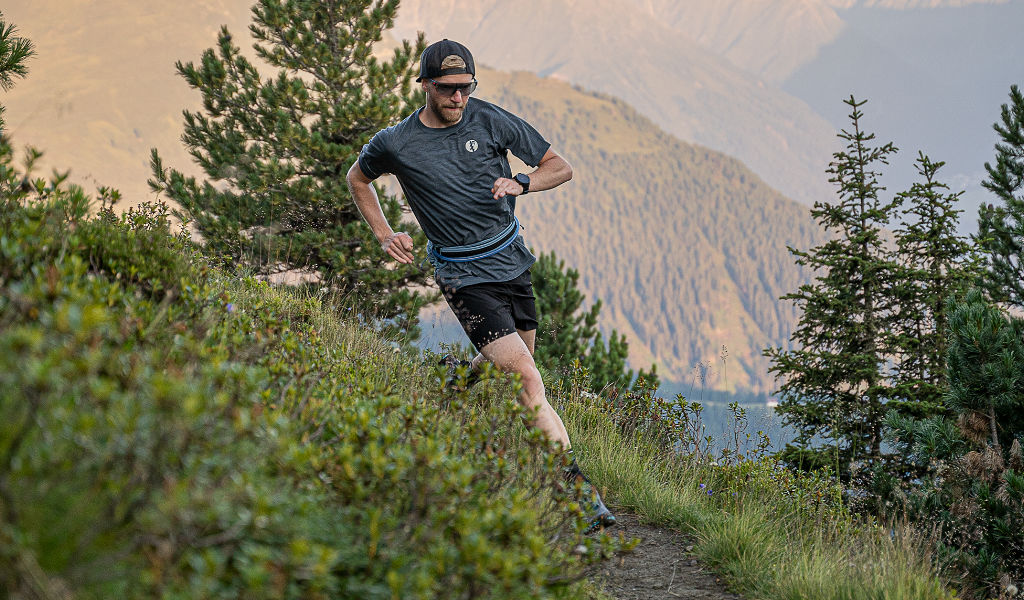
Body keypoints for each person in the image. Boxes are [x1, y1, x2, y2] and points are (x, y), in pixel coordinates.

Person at [346, 38, 615, 532]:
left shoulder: (490, 119)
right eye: (448, 88)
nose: (458, 98)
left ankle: (461, 379)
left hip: (512, 262)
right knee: (528, 380)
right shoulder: (396, 143)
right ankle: (576, 490)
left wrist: (523, 183)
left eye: (466, 87)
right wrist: (384, 233)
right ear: (425, 85)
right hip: (462, 275)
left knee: (517, 364)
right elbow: (357, 179)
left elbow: (561, 167)